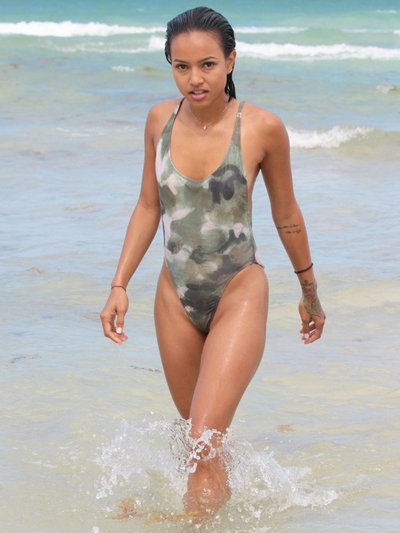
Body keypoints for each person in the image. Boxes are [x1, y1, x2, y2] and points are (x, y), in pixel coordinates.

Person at [100, 6, 325, 519]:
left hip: (238, 290)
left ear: (230, 60)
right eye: (181, 67)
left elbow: (287, 215)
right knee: (201, 444)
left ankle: (189, 525)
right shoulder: (158, 120)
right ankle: (229, 516)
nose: (194, 79)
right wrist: (119, 285)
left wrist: (309, 293)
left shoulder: (262, 127)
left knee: (202, 440)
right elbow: (148, 207)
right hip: (174, 295)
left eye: (207, 64)